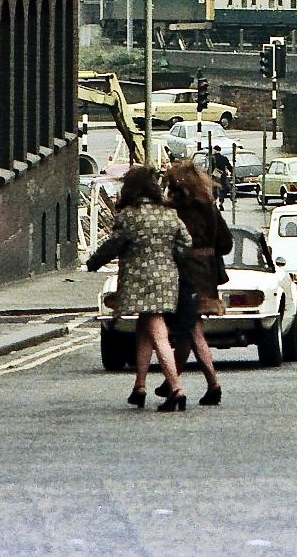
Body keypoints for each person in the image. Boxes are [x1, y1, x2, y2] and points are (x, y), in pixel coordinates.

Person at [88, 164, 191, 411]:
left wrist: (93, 263)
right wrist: (168, 257)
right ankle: (140, 387)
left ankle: (177, 388)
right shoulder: (169, 214)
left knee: (158, 333)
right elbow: (185, 244)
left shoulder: (129, 215)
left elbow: (115, 244)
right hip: (167, 279)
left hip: (139, 280)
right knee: (144, 328)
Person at [159, 159, 230, 407]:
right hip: (208, 275)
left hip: (184, 275)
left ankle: (212, 384)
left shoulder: (173, 211)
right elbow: (226, 243)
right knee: (190, 329)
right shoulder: (210, 208)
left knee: (192, 330)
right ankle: (171, 381)